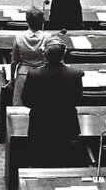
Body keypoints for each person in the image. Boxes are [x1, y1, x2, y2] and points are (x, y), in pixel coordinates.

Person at [21, 36, 84, 167]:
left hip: (40, 125)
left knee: (40, 160)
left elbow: (26, 101)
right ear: (64, 53)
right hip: (66, 125)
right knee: (63, 160)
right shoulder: (76, 74)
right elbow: (78, 100)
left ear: (45, 54)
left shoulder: (34, 75)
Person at [10, 8, 50, 106]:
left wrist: (12, 78)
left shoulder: (18, 37)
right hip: (43, 74)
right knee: (42, 105)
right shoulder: (48, 37)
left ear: (27, 21)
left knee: (19, 106)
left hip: (23, 74)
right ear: (41, 21)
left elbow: (14, 61)